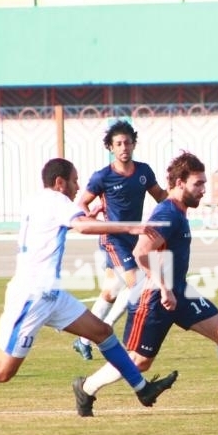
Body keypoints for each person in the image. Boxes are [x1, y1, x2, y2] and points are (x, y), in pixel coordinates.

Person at [0, 157, 178, 408]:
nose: (78, 188)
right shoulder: (57, 200)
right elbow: (82, 227)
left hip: (51, 294)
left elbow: (68, 224)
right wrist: (130, 227)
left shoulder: (38, 201)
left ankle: (142, 389)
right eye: (75, 181)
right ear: (60, 183)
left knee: (103, 333)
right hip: (32, 296)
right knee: (2, 371)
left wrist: (92, 215)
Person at [72, 151, 218, 416]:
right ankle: (87, 387)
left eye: (204, 183)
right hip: (153, 297)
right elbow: (140, 253)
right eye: (198, 184)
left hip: (179, 291)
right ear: (180, 183)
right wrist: (165, 287)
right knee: (139, 362)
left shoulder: (179, 211)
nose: (203, 190)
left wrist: (173, 288)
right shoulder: (167, 212)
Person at [71, 119, 167, 361]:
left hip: (135, 238)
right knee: (137, 284)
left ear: (134, 144)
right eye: (118, 144)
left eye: (127, 142)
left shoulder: (144, 172)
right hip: (112, 239)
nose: (124, 147)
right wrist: (87, 214)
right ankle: (104, 331)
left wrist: (179, 201)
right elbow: (82, 202)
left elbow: (161, 198)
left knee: (111, 292)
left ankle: (82, 340)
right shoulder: (102, 177)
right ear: (110, 148)